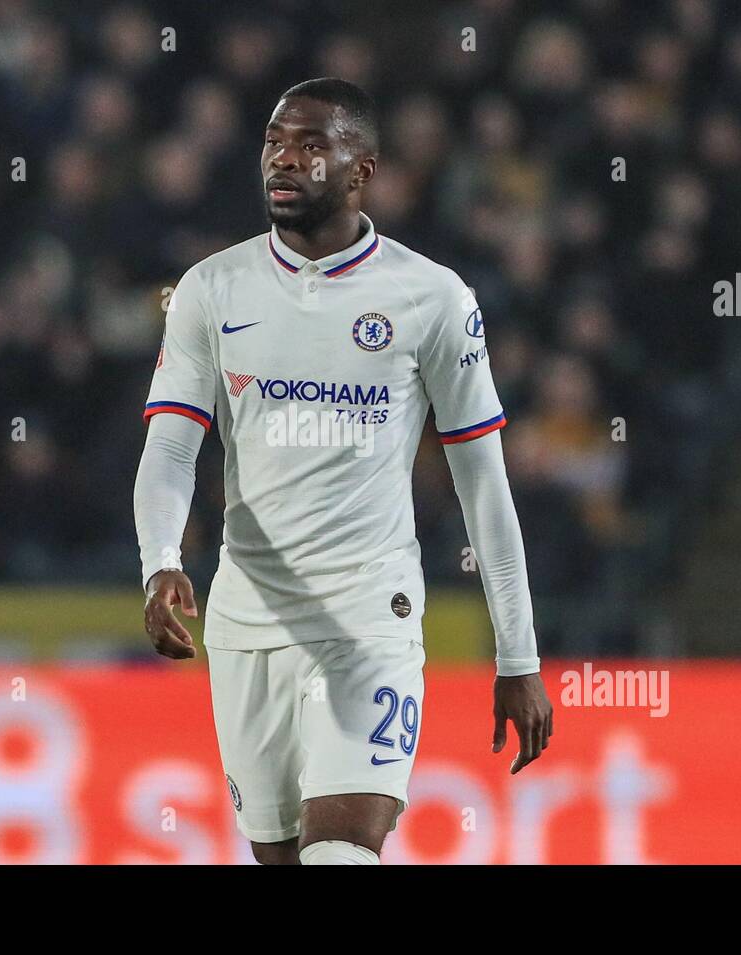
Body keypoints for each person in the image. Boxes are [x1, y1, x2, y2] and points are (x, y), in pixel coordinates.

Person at [134, 78, 551, 865]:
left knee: (342, 853)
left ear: (362, 170)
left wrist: (518, 655)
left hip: (369, 617)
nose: (283, 160)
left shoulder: (430, 298)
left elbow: (484, 483)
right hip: (246, 622)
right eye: (273, 143)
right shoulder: (209, 290)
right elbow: (169, 450)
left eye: (310, 145)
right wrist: (159, 561)